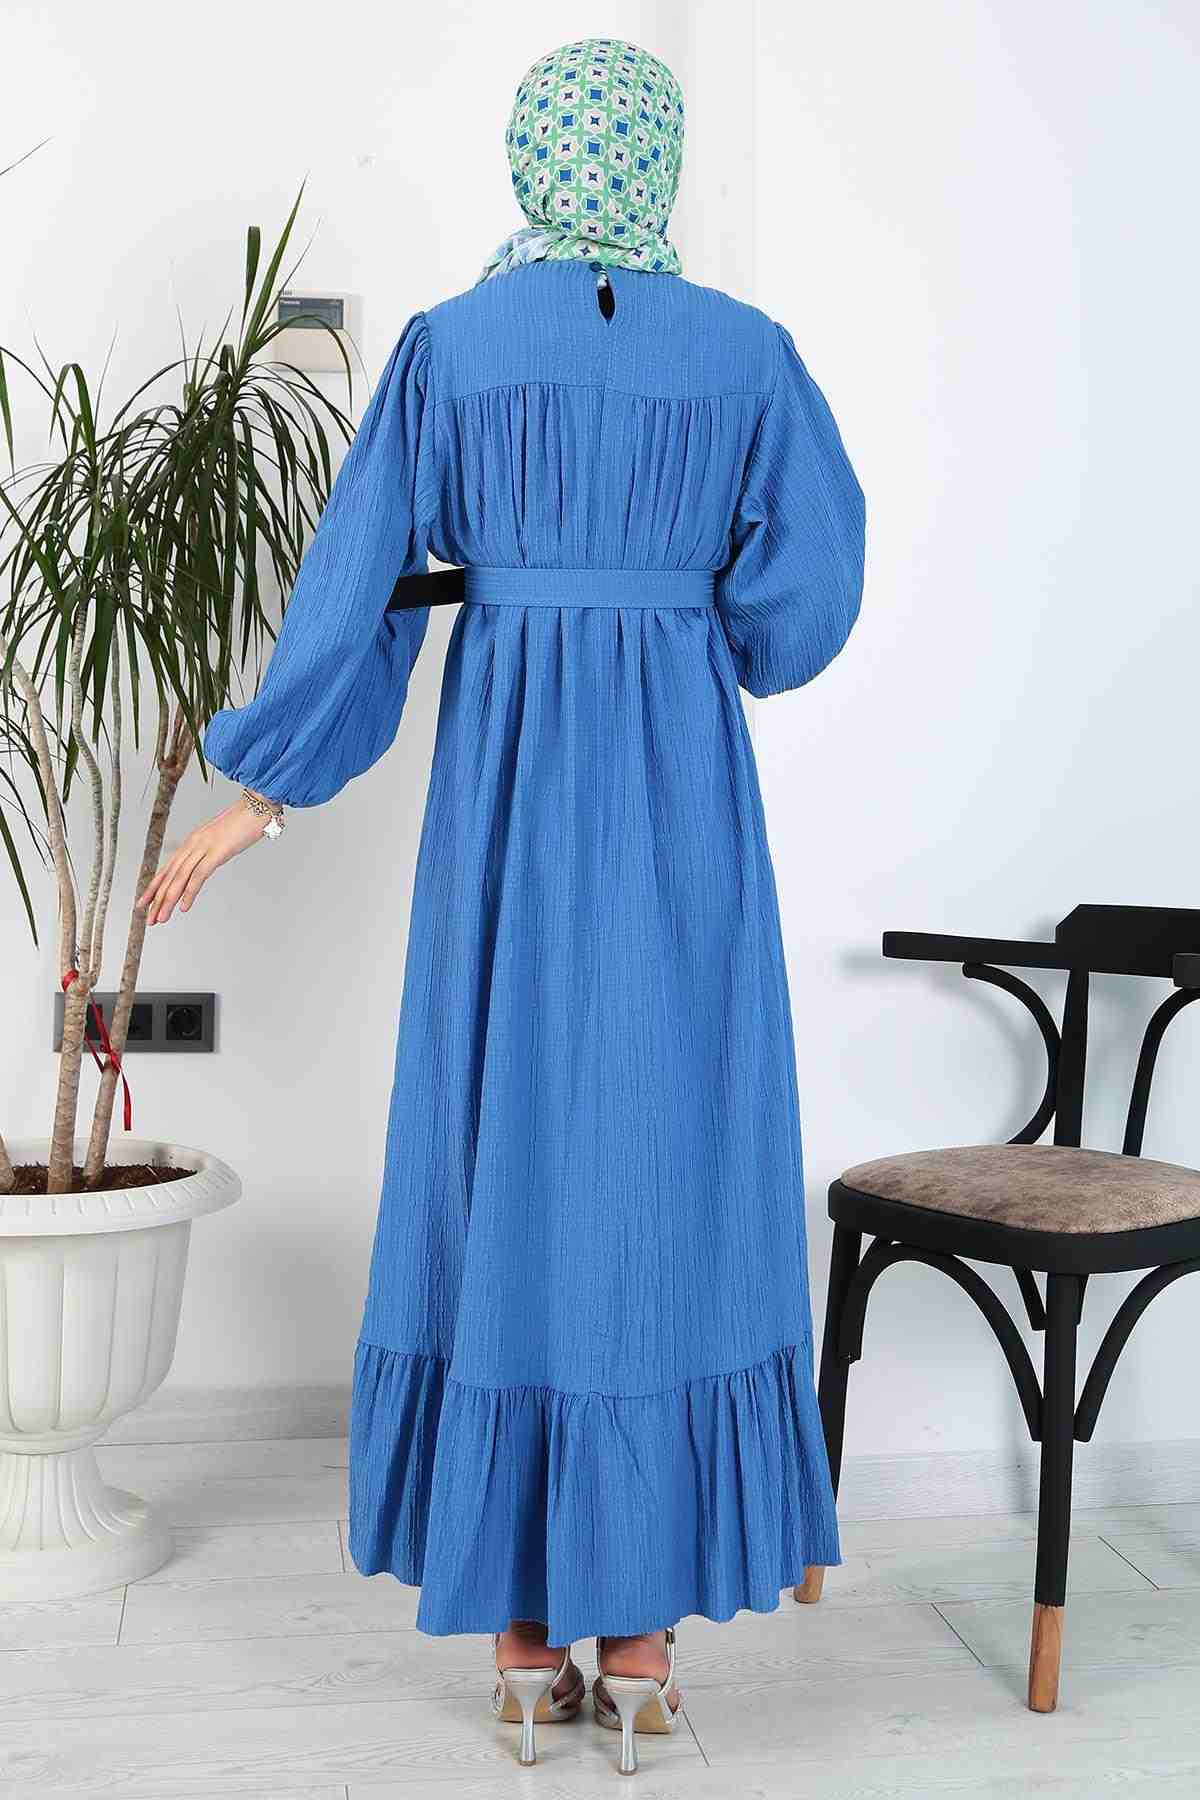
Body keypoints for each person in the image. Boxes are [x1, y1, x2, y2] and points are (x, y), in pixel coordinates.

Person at [138, 35, 865, 1778]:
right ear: (658, 158)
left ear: (534, 157)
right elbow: (804, 600)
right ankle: (646, 1656)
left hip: (511, 805)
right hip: (681, 805)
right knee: (671, 1166)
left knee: (504, 1154)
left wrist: (264, 787)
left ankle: (528, 1660)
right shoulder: (748, 354)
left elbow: (366, 585)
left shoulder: (451, 350)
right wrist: (685, 612)